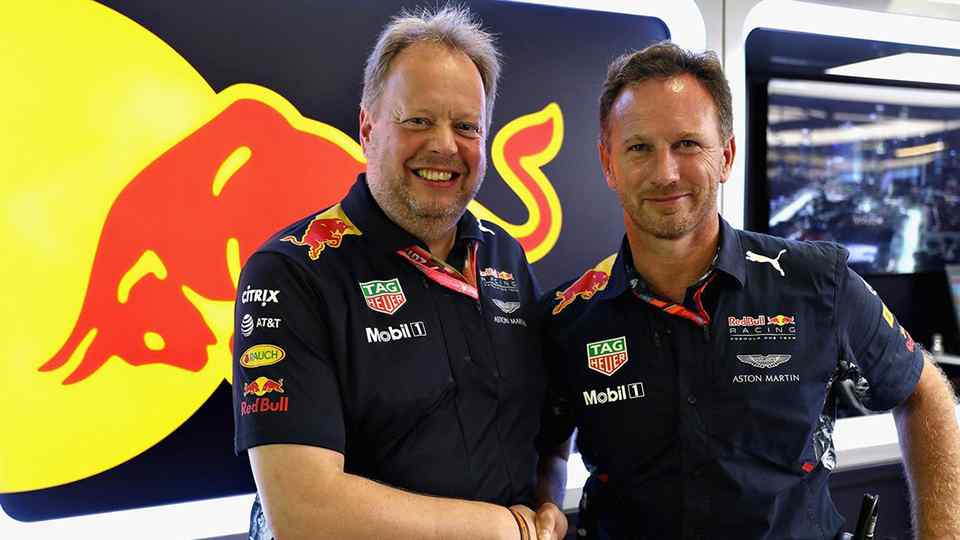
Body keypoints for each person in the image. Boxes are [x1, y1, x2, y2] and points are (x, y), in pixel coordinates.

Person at [537, 41, 960, 539]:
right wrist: (544, 504)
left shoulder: (816, 281)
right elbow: (545, 449)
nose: (665, 172)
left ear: (726, 156)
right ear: (608, 163)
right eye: (639, 148)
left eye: (687, 144)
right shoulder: (568, 317)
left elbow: (923, 391)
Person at [232, 6, 566, 539]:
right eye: (418, 121)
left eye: (466, 127)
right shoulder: (292, 272)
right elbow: (302, 511)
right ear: (367, 128)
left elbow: (545, 427)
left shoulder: (504, 257)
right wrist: (505, 530)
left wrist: (547, 503)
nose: (444, 145)